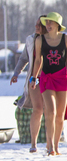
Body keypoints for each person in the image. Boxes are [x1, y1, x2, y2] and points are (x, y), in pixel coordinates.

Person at [30, 12, 67, 156]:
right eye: (46, 23)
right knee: (50, 111)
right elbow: (38, 61)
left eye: (51, 22)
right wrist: (33, 78)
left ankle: (56, 147)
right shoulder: (40, 40)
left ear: (58, 24)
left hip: (63, 77)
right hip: (47, 77)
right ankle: (49, 145)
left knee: (60, 115)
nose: (48, 25)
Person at [10, 15, 47, 152]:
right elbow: (24, 58)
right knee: (37, 109)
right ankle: (33, 143)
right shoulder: (31, 40)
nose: (36, 26)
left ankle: (52, 143)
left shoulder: (53, 40)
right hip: (35, 78)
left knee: (51, 110)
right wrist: (16, 73)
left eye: (39, 24)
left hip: (51, 78)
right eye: (36, 24)